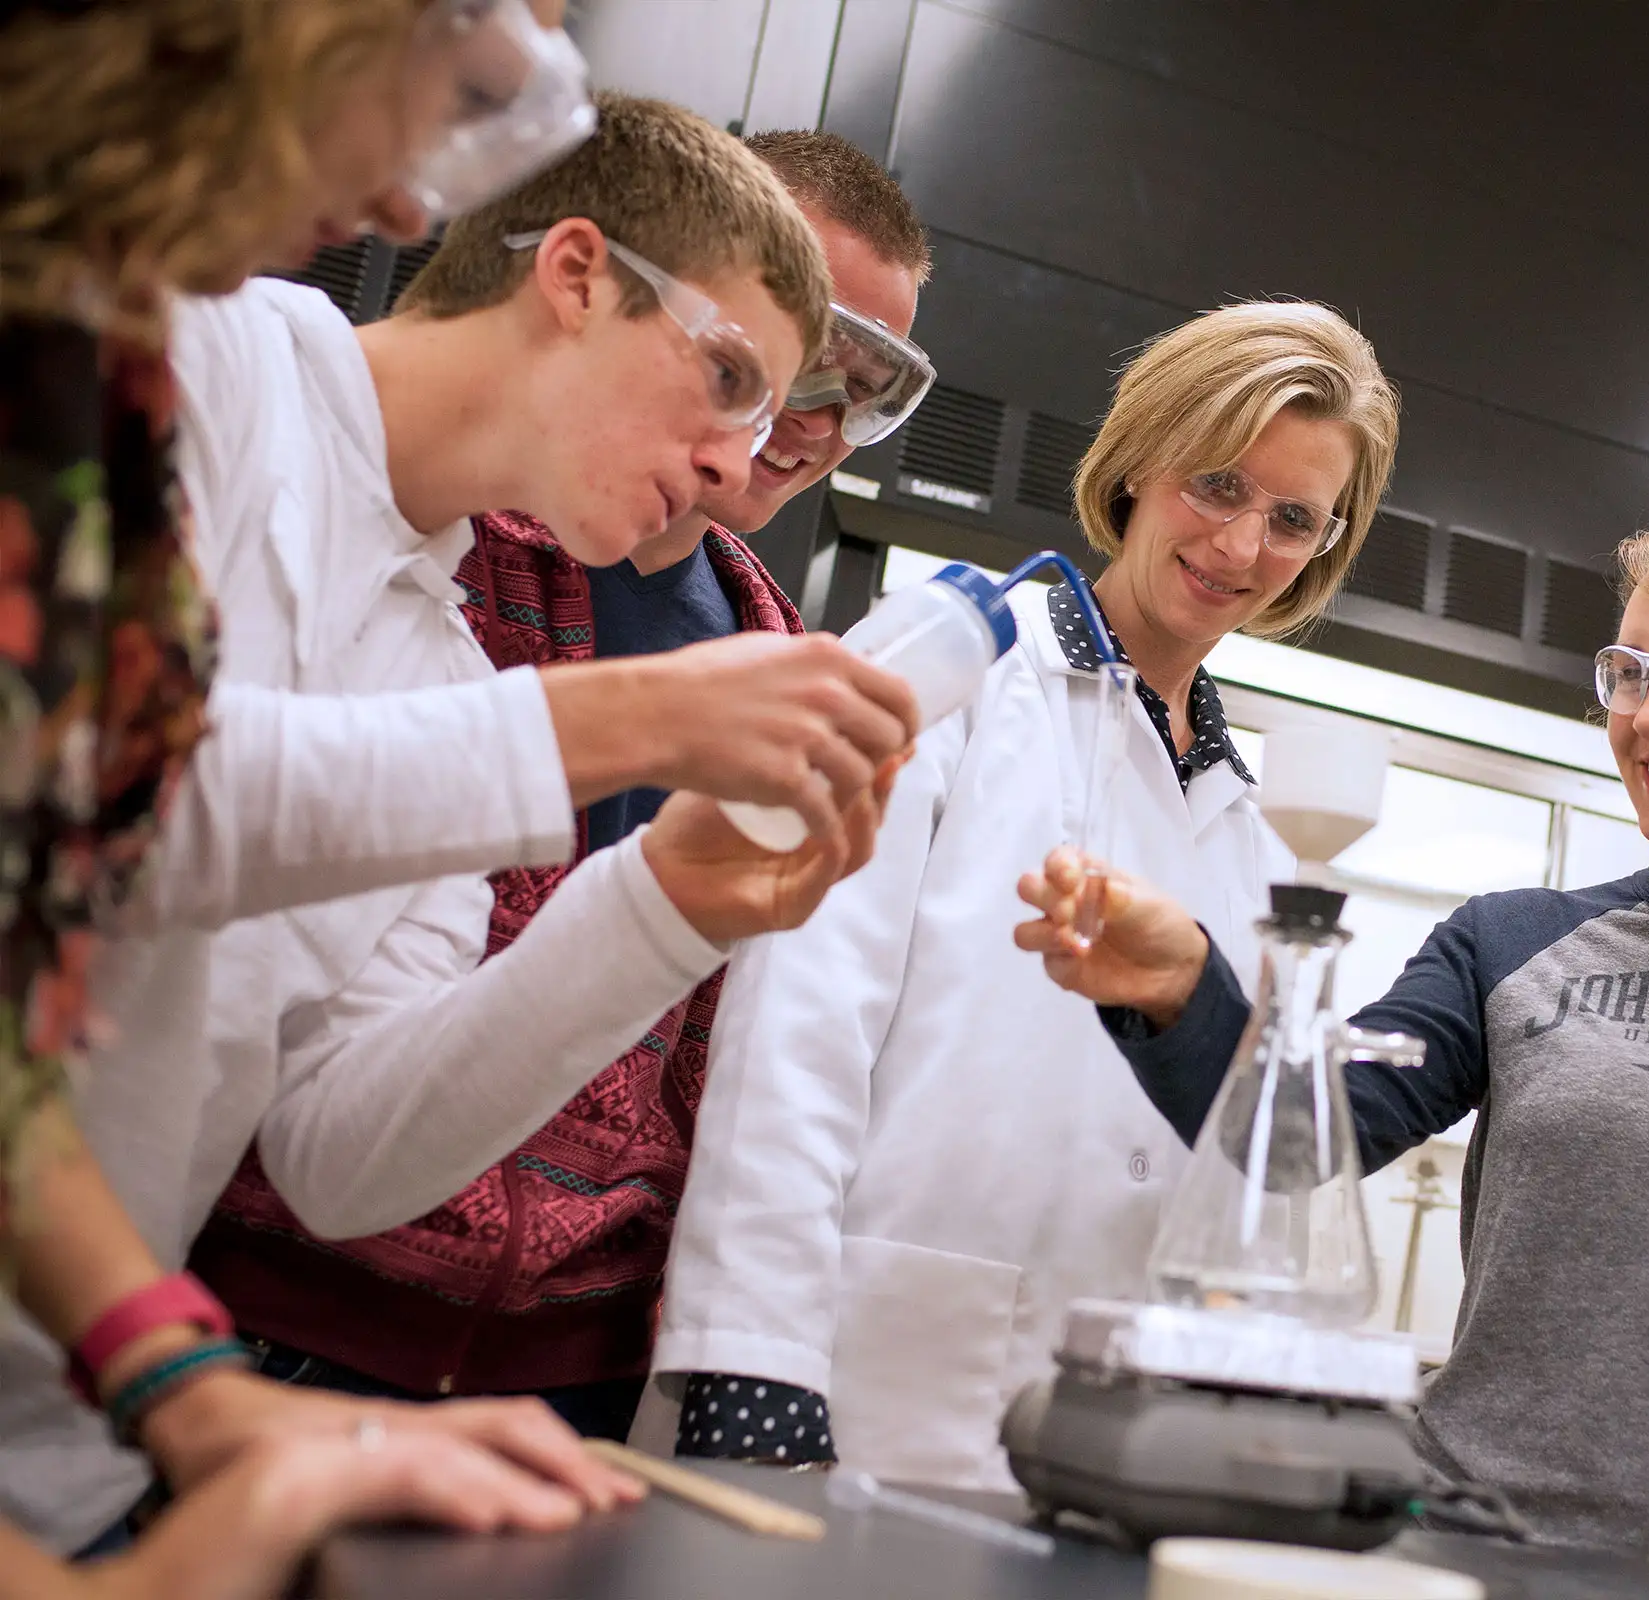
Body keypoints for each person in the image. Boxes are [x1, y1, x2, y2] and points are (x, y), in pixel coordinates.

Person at [0, 89, 922, 1555]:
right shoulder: (186, 371)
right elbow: (88, 807)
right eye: (727, 376)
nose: (736, 461)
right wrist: (629, 722)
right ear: (573, 276)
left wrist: (660, 903)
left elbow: (338, 1155)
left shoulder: (447, 659)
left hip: (77, 1463)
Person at [1017, 517, 1649, 1560]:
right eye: (1630, 674)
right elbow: (1314, 1138)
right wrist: (1185, 985)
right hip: (1480, 1546)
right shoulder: (1509, 941)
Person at [0, 0, 656, 1582]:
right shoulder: (201, 370)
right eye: (460, 85)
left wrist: (191, 1397)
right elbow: (153, 816)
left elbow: (31, 998)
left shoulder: (99, 364)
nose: (408, 208)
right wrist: (624, 725)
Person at [644, 301, 1401, 1484]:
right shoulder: (958, 662)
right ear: (1143, 461)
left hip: (1106, 1435)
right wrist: (752, 1361)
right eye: (1218, 483)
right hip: (866, 1377)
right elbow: (799, 1023)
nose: (1243, 546)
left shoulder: (1251, 829)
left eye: (1293, 518)